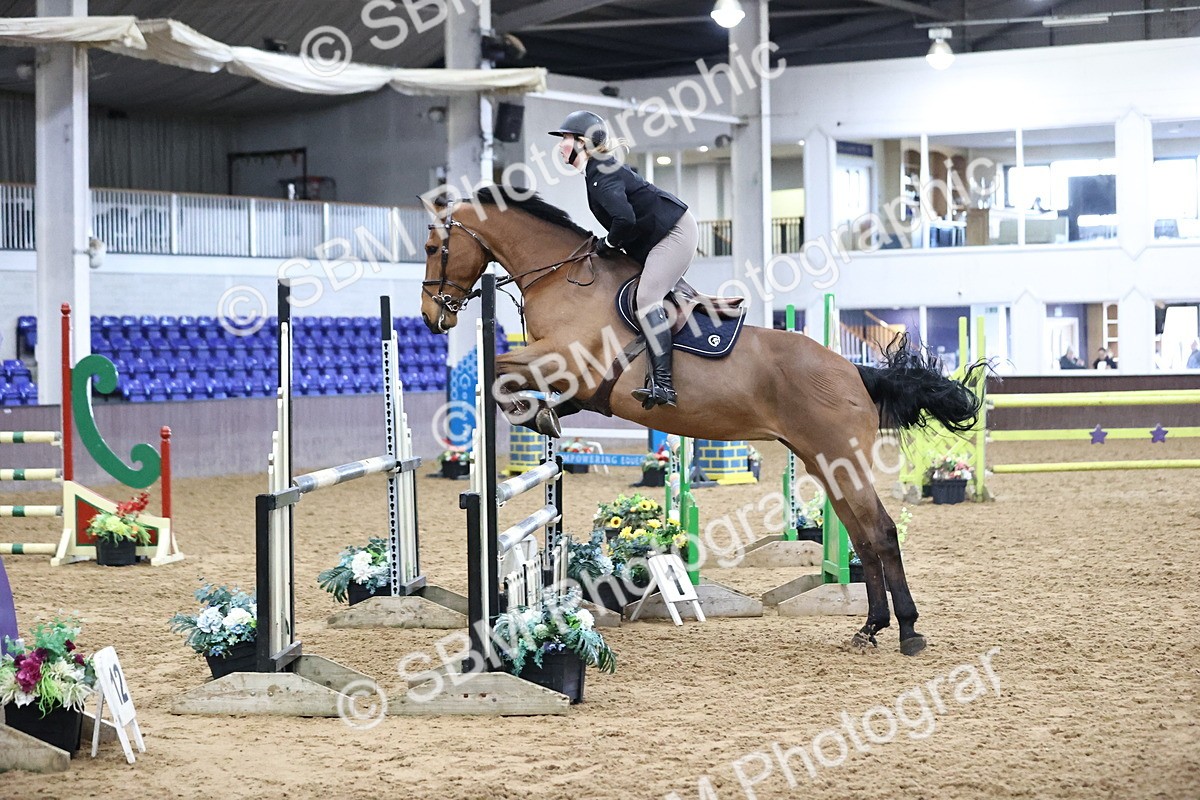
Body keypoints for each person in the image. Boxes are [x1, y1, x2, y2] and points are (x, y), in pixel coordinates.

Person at [549, 110, 696, 409]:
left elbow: (625, 219)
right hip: (656, 236)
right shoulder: (596, 172)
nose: (561, 145)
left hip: (674, 232)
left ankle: (664, 385)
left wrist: (609, 243)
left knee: (647, 298)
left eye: (566, 138)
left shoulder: (601, 172)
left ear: (582, 142)